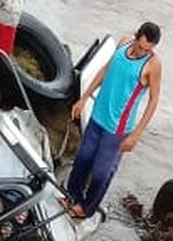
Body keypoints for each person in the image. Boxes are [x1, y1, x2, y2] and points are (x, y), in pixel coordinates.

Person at [63, 22, 162, 219]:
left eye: (148, 48)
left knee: (101, 173)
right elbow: (105, 70)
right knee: (82, 159)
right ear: (136, 36)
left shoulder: (153, 64)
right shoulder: (124, 42)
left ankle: (87, 208)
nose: (143, 51)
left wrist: (135, 135)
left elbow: (153, 101)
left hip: (118, 128)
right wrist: (83, 98)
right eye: (141, 46)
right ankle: (71, 196)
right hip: (98, 115)